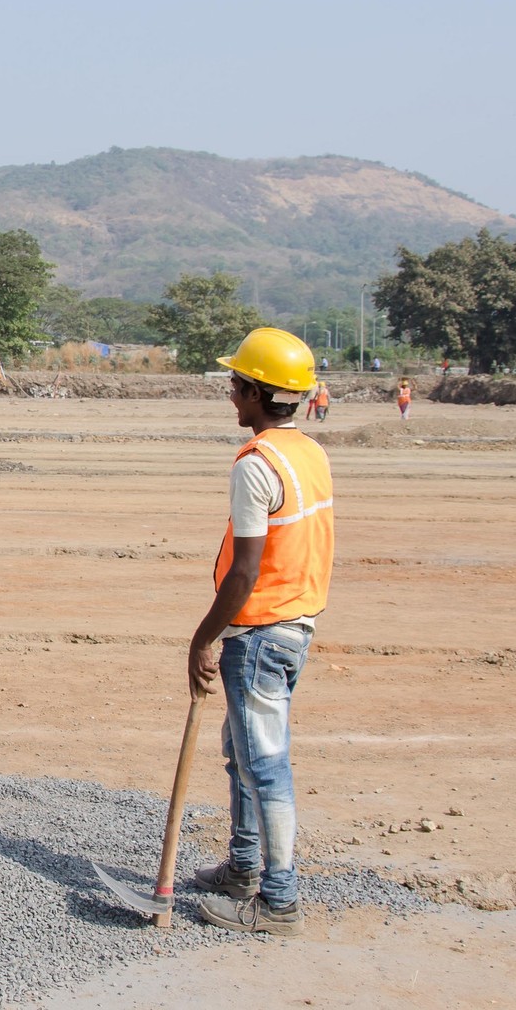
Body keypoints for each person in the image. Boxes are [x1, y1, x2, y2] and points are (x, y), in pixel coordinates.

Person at [186, 327, 333, 936]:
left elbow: (245, 569)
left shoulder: (256, 465)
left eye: (235, 384)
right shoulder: (308, 452)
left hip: (261, 632)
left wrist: (203, 638)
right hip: (295, 623)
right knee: (242, 754)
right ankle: (243, 867)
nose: (230, 394)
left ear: (252, 391)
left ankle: (277, 901)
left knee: (264, 764)